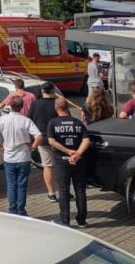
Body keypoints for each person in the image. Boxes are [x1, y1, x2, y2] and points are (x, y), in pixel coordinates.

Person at [0, 96, 42, 216]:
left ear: (10, 106)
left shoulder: (3, 119)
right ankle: (21, 210)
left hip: (9, 157)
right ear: (22, 107)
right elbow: (39, 136)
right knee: (22, 185)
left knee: (11, 185)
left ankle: (12, 210)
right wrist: (33, 147)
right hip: (23, 157)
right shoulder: (26, 120)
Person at [48, 97, 91, 228]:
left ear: (56, 108)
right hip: (78, 161)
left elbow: (51, 141)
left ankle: (64, 220)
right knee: (80, 190)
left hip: (62, 162)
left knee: (63, 190)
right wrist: (77, 154)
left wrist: (67, 152)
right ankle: (82, 220)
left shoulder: (53, 123)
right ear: (68, 107)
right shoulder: (77, 122)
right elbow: (86, 140)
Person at [28, 82, 59, 201]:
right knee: (61, 166)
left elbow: (29, 120)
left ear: (42, 91)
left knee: (48, 166)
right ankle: (64, 189)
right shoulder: (57, 103)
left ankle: (51, 193)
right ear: (53, 91)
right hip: (58, 140)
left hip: (43, 140)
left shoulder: (35, 104)